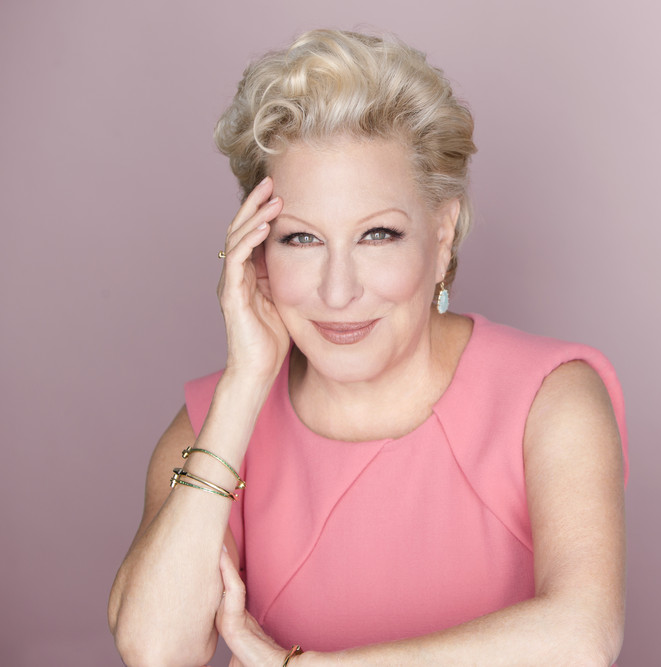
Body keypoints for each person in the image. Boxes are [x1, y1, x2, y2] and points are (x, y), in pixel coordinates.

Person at [108, 29, 628, 666]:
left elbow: (582, 637)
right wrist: (244, 383)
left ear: (442, 235)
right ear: (257, 253)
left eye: (378, 234)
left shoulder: (550, 398)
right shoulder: (211, 426)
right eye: (300, 239)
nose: (338, 290)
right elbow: (156, 649)